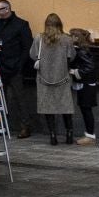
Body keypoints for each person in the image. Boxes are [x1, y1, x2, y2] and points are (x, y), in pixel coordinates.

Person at [0, 0, 34, 139]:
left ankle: (25, 126)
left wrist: (20, 65)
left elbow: (27, 47)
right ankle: (2, 125)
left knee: (19, 97)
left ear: (7, 9)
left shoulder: (21, 24)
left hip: (15, 66)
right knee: (0, 98)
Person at [32, 13, 77, 145]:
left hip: (43, 79)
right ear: (60, 24)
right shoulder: (67, 39)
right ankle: (69, 134)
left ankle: (52, 135)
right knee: (65, 107)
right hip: (63, 78)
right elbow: (72, 56)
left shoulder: (39, 38)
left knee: (48, 107)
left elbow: (33, 55)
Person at [69, 28, 99, 145]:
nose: (70, 38)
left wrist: (75, 72)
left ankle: (90, 136)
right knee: (85, 109)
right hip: (86, 83)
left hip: (86, 84)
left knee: (86, 109)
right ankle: (89, 135)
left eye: (71, 36)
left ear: (76, 38)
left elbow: (90, 67)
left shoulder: (82, 51)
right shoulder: (83, 50)